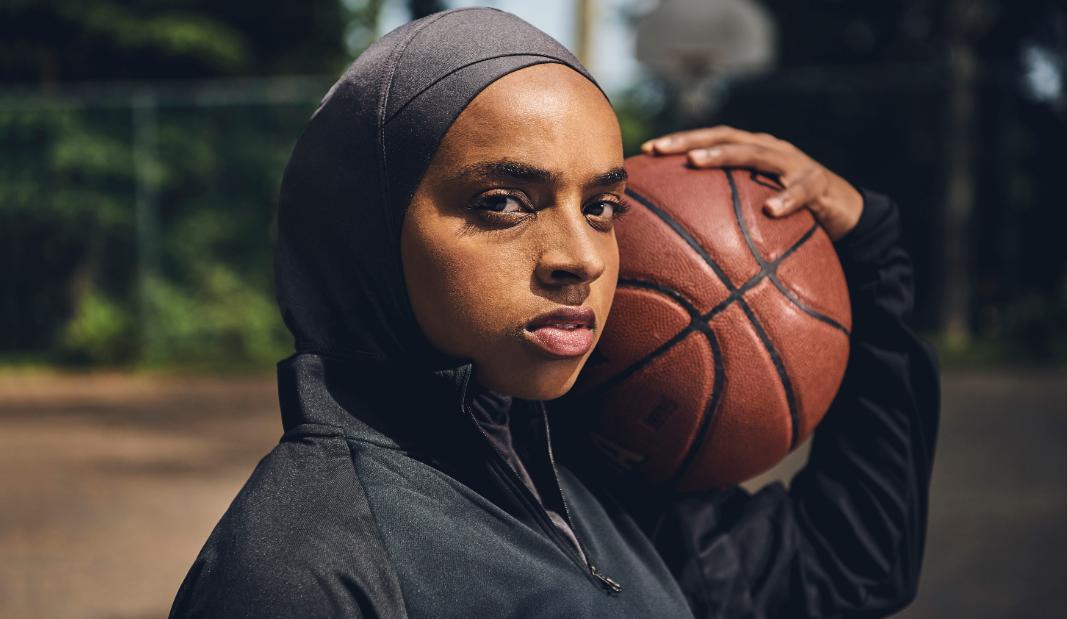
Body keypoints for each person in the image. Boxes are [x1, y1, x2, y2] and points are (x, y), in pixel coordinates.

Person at [169, 7, 939, 618]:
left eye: (602, 205)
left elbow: (850, 565)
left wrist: (870, 247)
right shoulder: (301, 569)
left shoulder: (584, 477)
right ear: (366, 227)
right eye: (502, 203)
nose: (583, 256)